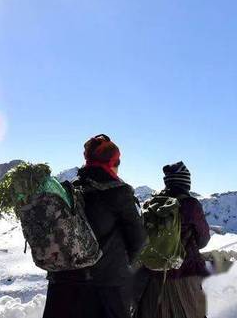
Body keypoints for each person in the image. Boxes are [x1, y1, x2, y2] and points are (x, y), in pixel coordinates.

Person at [43, 134, 146, 318]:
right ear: (111, 162)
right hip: (104, 290)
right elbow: (138, 240)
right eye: (118, 162)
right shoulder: (120, 192)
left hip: (62, 288)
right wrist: (119, 266)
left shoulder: (67, 191)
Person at [134, 161, 210, 318]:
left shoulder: (152, 203)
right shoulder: (191, 204)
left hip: (153, 272)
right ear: (185, 182)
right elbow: (203, 240)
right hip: (184, 273)